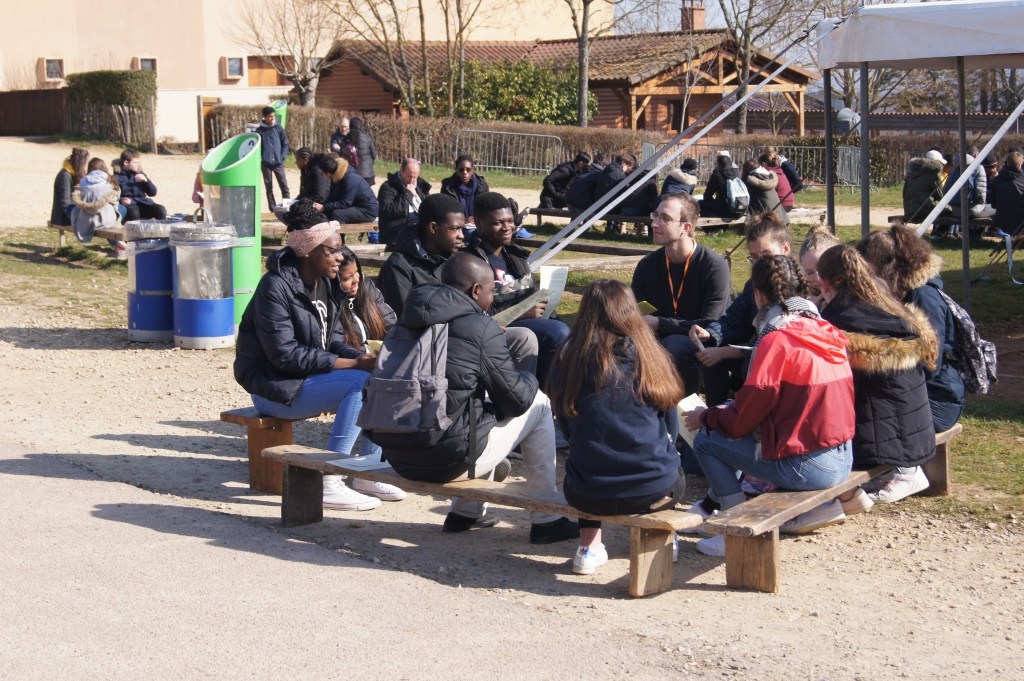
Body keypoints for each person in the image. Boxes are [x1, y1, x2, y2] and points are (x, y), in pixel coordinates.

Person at [379, 252, 579, 544]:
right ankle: (547, 518)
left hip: (397, 455)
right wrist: (530, 377)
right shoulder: (478, 327)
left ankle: (465, 512)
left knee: (475, 408)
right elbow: (516, 401)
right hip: (444, 462)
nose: (492, 297)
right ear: (475, 291)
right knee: (538, 402)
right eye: (491, 291)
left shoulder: (405, 321)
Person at [233, 199, 405, 511]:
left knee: (377, 376)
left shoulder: (325, 284)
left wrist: (365, 358)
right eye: (332, 250)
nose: (340, 257)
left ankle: (366, 472)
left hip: (308, 381)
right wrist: (355, 364)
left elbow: (333, 340)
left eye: (340, 249)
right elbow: (285, 356)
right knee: (359, 383)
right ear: (307, 250)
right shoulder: (274, 288)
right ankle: (329, 478)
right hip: (276, 388)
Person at [682, 255, 856, 556]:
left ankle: (733, 528)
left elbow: (743, 421)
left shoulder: (776, 339)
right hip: (842, 457)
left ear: (759, 295)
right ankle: (710, 506)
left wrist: (705, 416)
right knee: (725, 425)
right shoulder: (824, 328)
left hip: (811, 466)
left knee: (708, 441)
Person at [549, 279, 686, 575]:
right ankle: (663, 536)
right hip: (654, 485)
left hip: (588, 490)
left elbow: (567, 425)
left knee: (586, 457)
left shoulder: (568, 357)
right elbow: (669, 420)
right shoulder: (648, 354)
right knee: (671, 467)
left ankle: (588, 547)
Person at [816, 244, 938, 505]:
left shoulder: (837, 320)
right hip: (918, 430)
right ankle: (902, 470)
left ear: (824, 283)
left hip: (878, 442)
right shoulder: (887, 302)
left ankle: (899, 472)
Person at [857, 225, 965, 434]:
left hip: (938, 399)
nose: (865, 278)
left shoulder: (925, 298)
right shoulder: (899, 293)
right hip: (912, 389)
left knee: (868, 418)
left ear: (887, 268)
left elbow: (930, 364)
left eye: (868, 271)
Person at [631, 192, 730, 404]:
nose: (654, 223)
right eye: (655, 215)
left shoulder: (713, 266)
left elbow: (711, 323)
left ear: (686, 227)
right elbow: (638, 311)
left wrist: (661, 323)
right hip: (656, 340)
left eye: (665, 218)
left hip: (703, 342)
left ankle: (685, 415)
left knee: (675, 345)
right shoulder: (647, 265)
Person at [688, 212, 793, 407]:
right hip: (753, 351)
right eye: (754, 257)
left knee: (745, 365)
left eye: (767, 254)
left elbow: (769, 342)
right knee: (711, 355)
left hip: (779, 360)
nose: (760, 262)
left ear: (785, 249)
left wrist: (725, 352)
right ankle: (715, 412)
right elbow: (734, 319)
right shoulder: (752, 285)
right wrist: (710, 334)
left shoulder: (794, 286)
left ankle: (746, 413)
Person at [465, 192, 570, 384]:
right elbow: (475, 314)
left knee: (571, 333)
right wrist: (521, 313)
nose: (507, 228)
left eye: (510, 221)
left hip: (532, 321)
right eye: (498, 223)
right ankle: (541, 393)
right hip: (498, 328)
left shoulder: (515, 257)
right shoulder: (471, 263)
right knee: (557, 333)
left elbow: (531, 295)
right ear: (479, 223)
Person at [376, 193, 465, 319]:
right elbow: (405, 317)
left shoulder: (454, 259)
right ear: (433, 228)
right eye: (455, 228)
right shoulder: (398, 267)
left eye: (462, 229)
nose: (461, 235)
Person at [70, 158, 128, 257]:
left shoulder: (82, 182)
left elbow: (77, 201)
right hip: (105, 219)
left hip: (86, 219)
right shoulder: (110, 181)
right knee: (123, 209)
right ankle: (119, 244)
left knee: (72, 209)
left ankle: (117, 245)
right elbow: (115, 201)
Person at [377, 158, 431, 246]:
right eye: (409, 176)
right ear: (401, 171)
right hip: (398, 233)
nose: (412, 180)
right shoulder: (388, 187)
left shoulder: (421, 186)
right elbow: (387, 212)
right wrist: (408, 194)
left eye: (415, 177)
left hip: (419, 228)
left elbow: (429, 207)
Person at [317, 155, 378, 225]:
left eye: (323, 174)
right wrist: (322, 205)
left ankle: (340, 232)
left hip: (367, 211)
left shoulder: (350, 179)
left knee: (337, 214)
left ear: (328, 173)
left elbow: (345, 203)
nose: (323, 176)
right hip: (355, 206)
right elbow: (333, 197)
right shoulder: (336, 177)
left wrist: (325, 207)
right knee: (327, 212)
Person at [115, 149, 167, 222]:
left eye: (138, 162)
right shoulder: (116, 178)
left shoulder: (140, 174)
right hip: (129, 208)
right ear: (126, 163)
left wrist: (145, 181)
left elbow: (153, 193)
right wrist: (121, 200)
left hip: (143, 203)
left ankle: (161, 228)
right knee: (134, 212)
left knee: (161, 210)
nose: (138, 164)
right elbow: (112, 197)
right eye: (135, 162)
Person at [798, 225, 842, 309]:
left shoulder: (851, 296)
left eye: (822, 269)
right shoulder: (800, 298)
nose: (818, 278)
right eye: (810, 273)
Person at [255, 106, 290, 211]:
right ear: (265, 117)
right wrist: (262, 159)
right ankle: (273, 209)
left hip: (278, 163)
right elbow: (256, 148)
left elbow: (285, 144)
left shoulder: (279, 128)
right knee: (269, 188)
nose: (273, 118)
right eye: (270, 116)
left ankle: (287, 208)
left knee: (284, 186)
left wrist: (282, 157)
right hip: (266, 164)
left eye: (274, 116)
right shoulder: (259, 131)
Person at [440, 155, 490, 225]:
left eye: (468, 169)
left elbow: (487, 209)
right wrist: (462, 220)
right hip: (456, 225)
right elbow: (444, 210)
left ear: (473, 170)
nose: (465, 172)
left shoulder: (482, 185)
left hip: (477, 225)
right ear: (456, 170)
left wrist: (477, 219)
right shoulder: (448, 186)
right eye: (461, 170)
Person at [902, 150, 949, 224]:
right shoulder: (933, 174)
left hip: (908, 212)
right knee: (950, 212)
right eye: (941, 163)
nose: (942, 166)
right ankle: (940, 231)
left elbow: (904, 194)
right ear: (937, 162)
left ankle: (937, 231)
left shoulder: (911, 173)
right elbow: (942, 196)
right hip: (923, 212)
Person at [51, 147, 89, 228]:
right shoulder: (65, 176)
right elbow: (65, 202)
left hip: (70, 214)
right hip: (63, 219)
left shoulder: (73, 174)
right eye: (86, 163)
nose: (86, 166)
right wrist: (75, 217)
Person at [743, 159, 788, 225]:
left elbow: (746, 198)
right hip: (781, 217)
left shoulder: (751, 179)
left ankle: (753, 224)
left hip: (768, 218)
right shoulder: (768, 176)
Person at [990, 150, 1024, 237]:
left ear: (1007, 164)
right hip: (1020, 222)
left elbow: (994, 204)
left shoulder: (996, 180)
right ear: (1019, 165)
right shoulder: (1022, 180)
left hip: (1002, 222)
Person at [700, 151, 739, 218]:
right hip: (739, 209)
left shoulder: (717, 175)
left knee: (700, 203)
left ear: (718, 163)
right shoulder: (736, 173)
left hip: (727, 210)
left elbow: (707, 196)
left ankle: (712, 223)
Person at [348, 118, 377, 187]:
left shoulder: (347, 138)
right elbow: (374, 155)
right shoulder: (367, 138)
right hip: (368, 173)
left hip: (354, 172)